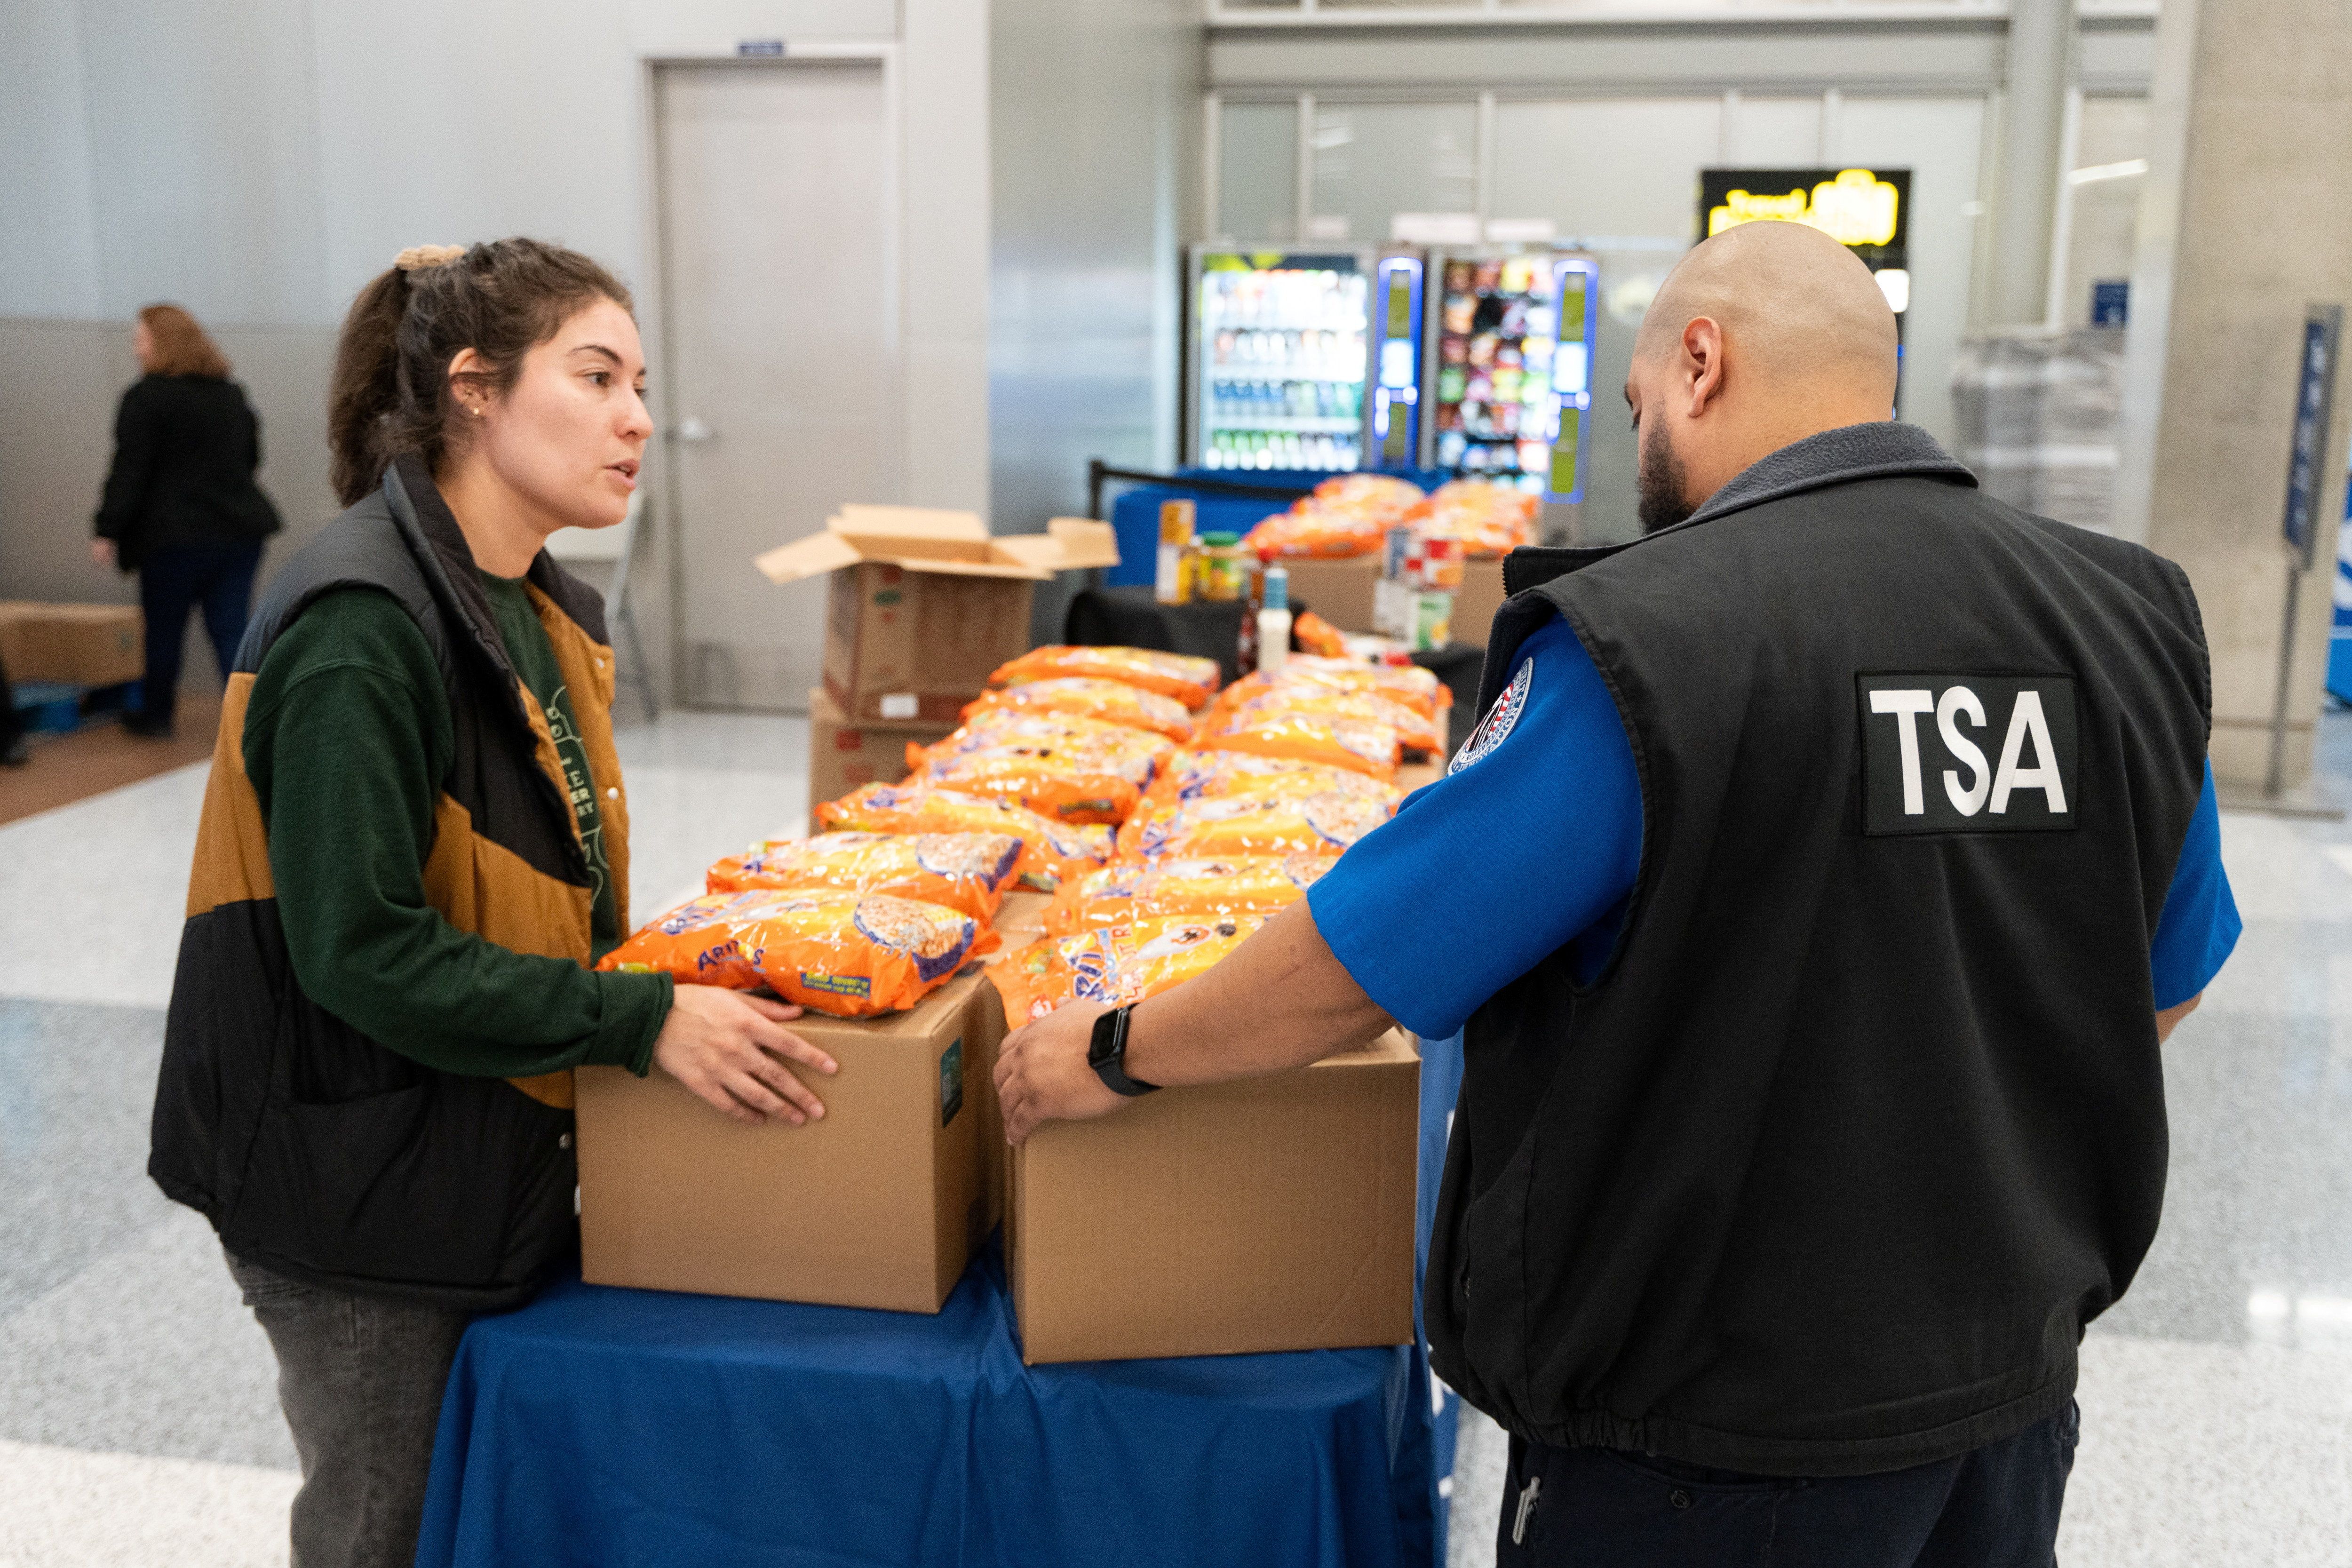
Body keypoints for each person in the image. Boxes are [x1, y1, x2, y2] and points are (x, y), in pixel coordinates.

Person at [995, 219, 2239, 1566]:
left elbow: (1362, 957)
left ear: (1700, 363)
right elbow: (2161, 973)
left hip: (1701, 1447)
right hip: (2003, 1409)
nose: (1640, 440)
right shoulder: (2127, 624)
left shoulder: (1656, 644)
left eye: (1639, 400)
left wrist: (1115, 1052)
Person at [146, 239, 839, 1568]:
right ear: (474, 387)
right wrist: (638, 1021)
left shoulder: (521, 598)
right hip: (354, 1189)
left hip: (469, 1146)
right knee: (382, 1531)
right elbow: (362, 951)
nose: (638, 417)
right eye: (597, 376)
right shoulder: (364, 624)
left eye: (643, 382)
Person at [91, 303, 284, 737]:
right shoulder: (230, 394)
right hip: (237, 532)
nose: (135, 347)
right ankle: (253, 724)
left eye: (141, 338)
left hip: (171, 537)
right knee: (233, 632)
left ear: (163, 343)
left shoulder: (145, 399)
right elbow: (251, 459)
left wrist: (108, 528)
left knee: (163, 633)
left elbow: (130, 471)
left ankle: (157, 717)